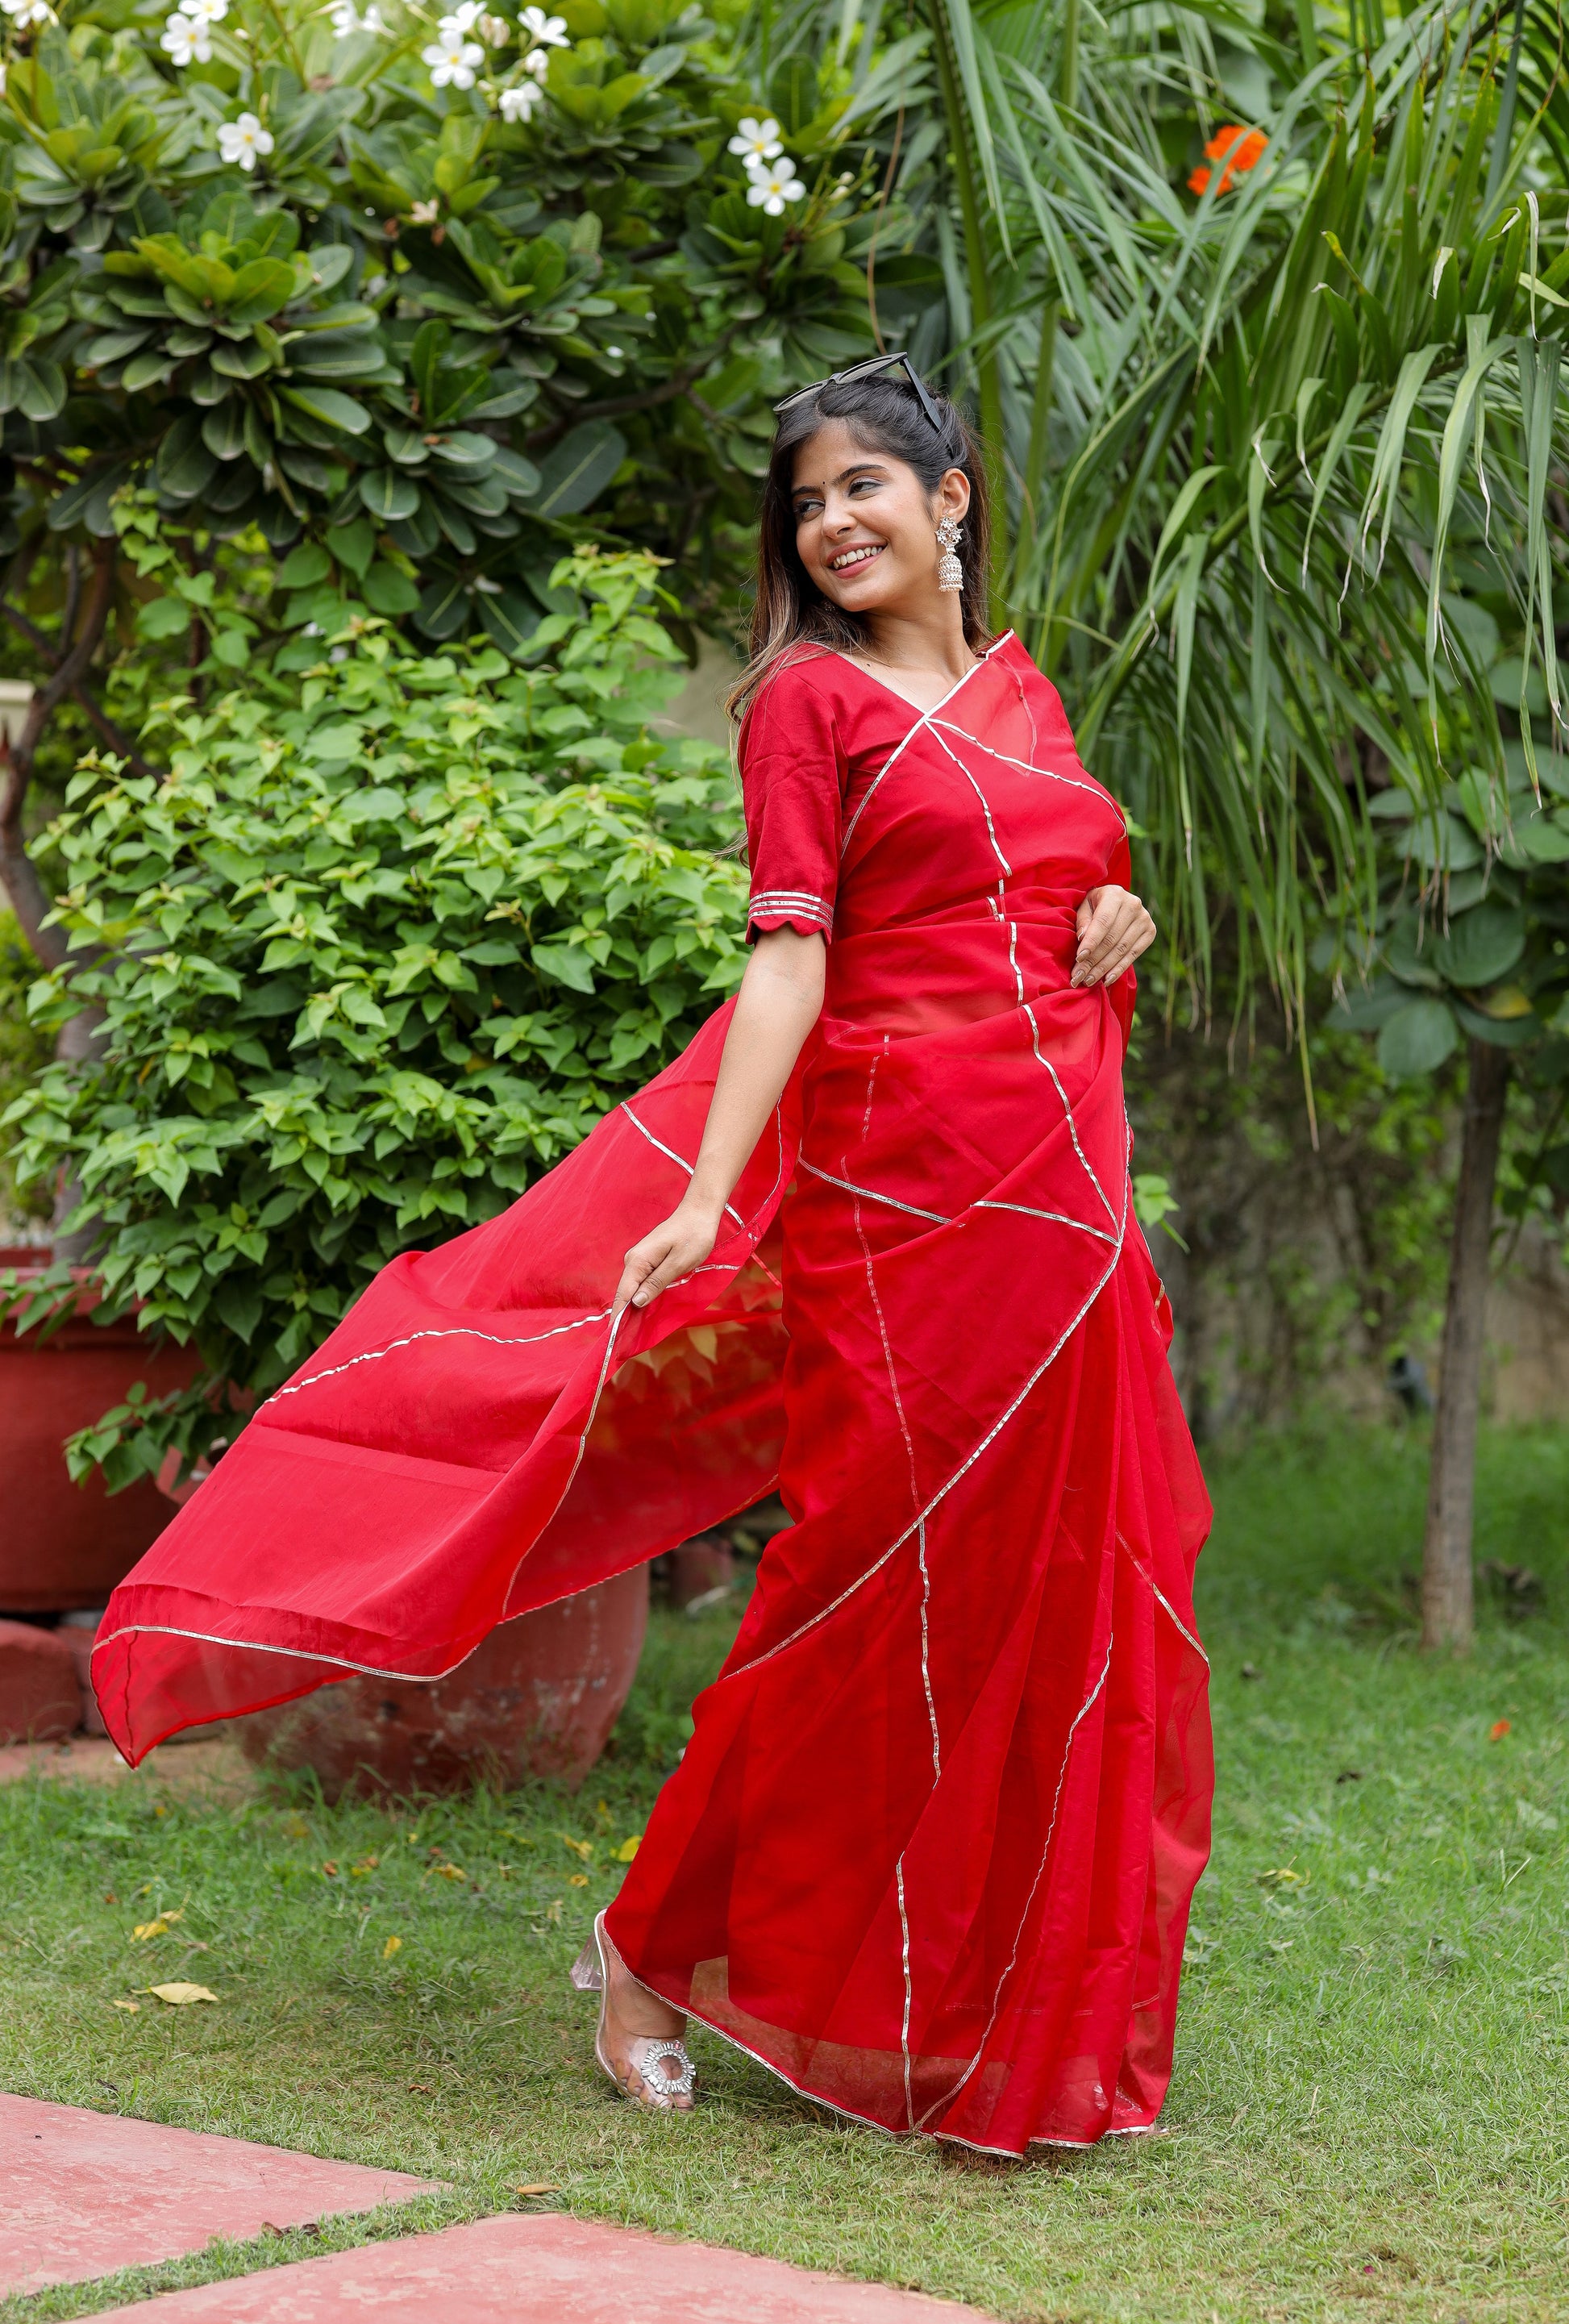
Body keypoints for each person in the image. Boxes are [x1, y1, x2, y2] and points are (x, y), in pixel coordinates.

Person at [91, 354, 1213, 2159]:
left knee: (1057, 1592)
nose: (833, 520)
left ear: (954, 496)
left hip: (1062, 1203)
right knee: (855, 1590)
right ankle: (650, 1945)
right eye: (806, 502)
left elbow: (1046, 879)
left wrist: (1117, 904)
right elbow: (793, 958)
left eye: (865, 485)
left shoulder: (1024, 693)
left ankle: (1012, 2013)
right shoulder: (806, 709)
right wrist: (702, 1191)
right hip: (898, 1199)